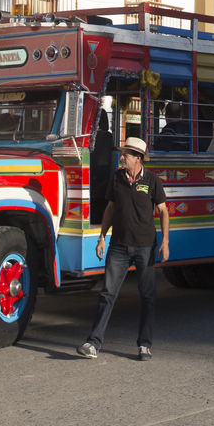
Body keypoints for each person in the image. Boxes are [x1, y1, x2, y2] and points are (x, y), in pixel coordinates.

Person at [76, 136, 170, 361]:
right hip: (118, 245)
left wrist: (165, 241)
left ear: (138, 158)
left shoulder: (152, 180)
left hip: (145, 247)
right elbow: (110, 208)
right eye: (122, 153)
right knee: (107, 293)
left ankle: (144, 345)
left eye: (126, 154)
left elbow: (163, 211)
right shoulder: (117, 178)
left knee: (147, 296)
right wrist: (101, 237)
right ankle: (93, 343)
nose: (122, 157)